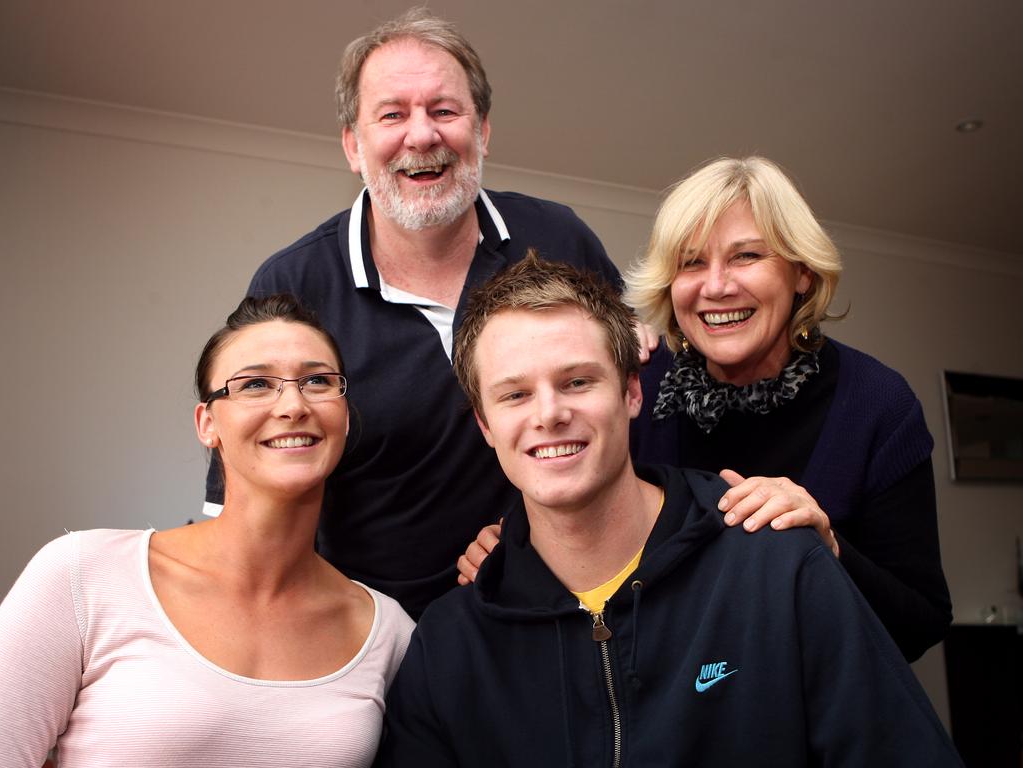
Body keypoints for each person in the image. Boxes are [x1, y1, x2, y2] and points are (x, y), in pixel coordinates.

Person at [375, 254, 963, 766]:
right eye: (515, 394)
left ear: (633, 392)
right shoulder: (449, 646)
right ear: (485, 424)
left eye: (578, 382)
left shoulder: (779, 571)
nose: (548, 414)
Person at [204, 8, 630, 619]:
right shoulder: (294, 283)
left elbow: (626, 402)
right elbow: (245, 484)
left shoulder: (558, 235)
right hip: (377, 633)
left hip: (563, 609)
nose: (422, 135)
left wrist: (525, 536)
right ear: (354, 144)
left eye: (444, 110)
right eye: (393, 114)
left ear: (482, 130)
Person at [460, 156, 951, 661]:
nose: (716, 286)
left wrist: (828, 550)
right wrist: (513, 546)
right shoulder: (639, 385)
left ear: (801, 272)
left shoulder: (876, 403)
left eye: (746, 257)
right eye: (691, 263)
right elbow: (566, 493)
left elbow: (919, 623)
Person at [0, 295, 414, 767]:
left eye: (318, 381)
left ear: (344, 414)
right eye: (256, 384)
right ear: (207, 423)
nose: (294, 404)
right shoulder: (82, 575)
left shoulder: (388, 632)